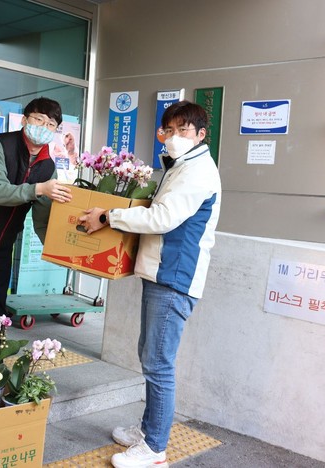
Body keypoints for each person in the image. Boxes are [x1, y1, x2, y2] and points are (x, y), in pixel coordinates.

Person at [78, 100, 221, 468]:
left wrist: (108, 216)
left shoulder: (197, 172)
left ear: (201, 135)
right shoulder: (180, 166)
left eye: (183, 130)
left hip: (174, 278)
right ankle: (148, 430)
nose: (174, 136)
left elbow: (162, 218)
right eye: (168, 130)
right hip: (162, 274)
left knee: (158, 364)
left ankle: (155, 449)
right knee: (151, 356)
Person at [0, 97, 72, 325]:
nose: (44, 127)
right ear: (25, 120)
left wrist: (58, 250)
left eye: (51, 124)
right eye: (39, 119)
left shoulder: (48, 167)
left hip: (4, 242)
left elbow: (42, 218)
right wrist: (39, 189)